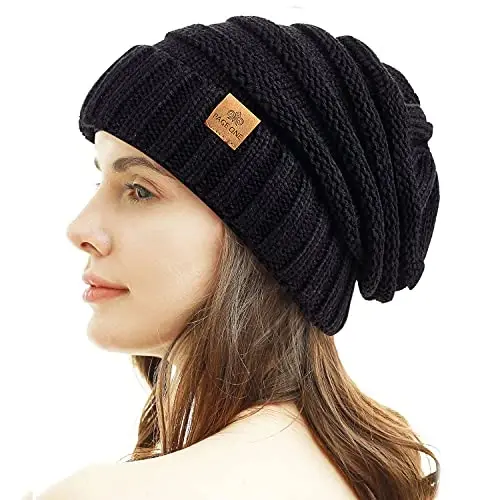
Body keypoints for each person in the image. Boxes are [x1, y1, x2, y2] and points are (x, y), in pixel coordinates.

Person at [43, 14, 441, 500]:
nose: (80, 230)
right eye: (100, 180)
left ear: (264, 237)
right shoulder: (360, 480)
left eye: (140, 190)